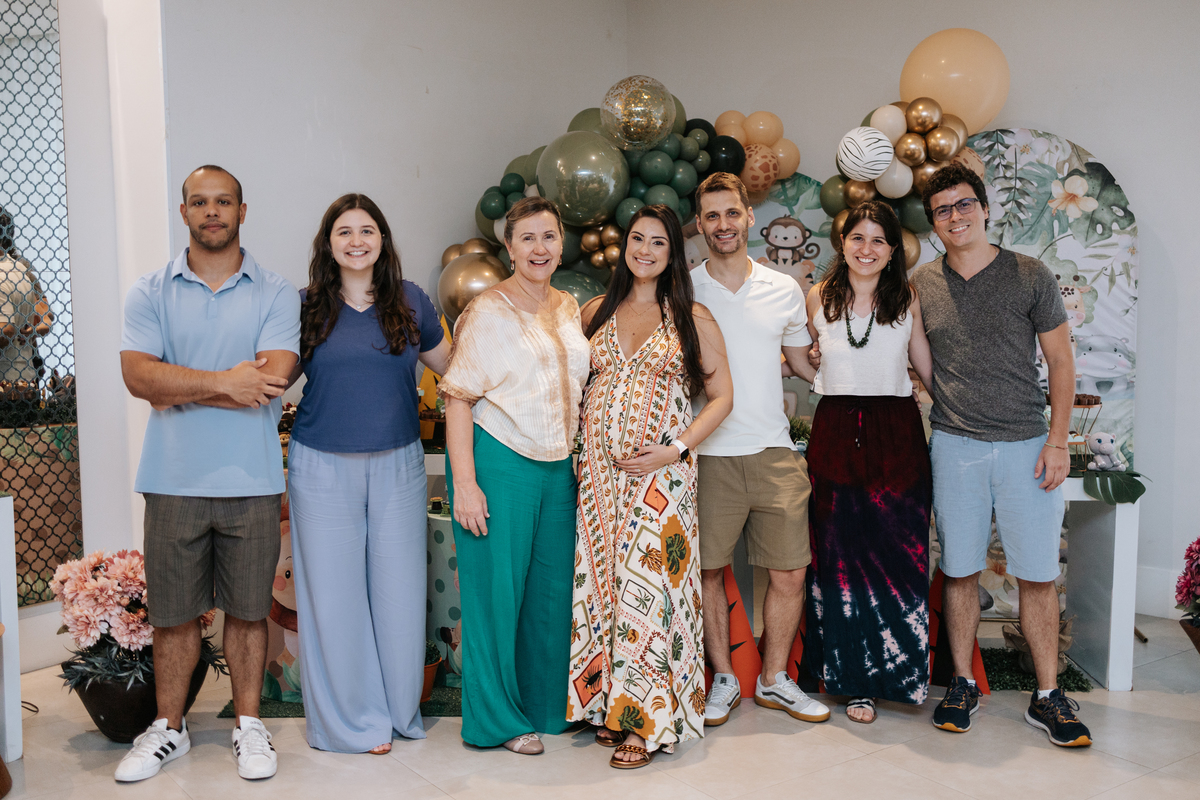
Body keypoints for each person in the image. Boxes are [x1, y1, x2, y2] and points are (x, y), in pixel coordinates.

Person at [118, 165, 300, 782]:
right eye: (201, 202)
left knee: (248, 613)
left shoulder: (276, 293)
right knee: (173, 615)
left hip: (250, 481)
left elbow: (271, 378)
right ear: (184, 211)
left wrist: (182, 383)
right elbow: (141, 379)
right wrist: (227, 382)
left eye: (224, 201)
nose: (212, 211)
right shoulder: (149, 291)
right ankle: (169, 729)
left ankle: (249, 727)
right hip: (172, 479)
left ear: (242, 211)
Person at [914, 164, 1090, 746]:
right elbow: (917, 360)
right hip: (956, 446)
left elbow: (1061, 363)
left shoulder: (1029, 274)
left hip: (1026, 447)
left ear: (985, 209)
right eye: (942, 210)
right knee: (959, 569)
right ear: (934, 221)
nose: (955, 217)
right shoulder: (923, 284)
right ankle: (962, 683)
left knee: (1037, 574)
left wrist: (1058, 440)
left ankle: (1047, 696)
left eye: (964, 205)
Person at [568, 204, 734, 768]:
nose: (644, 249)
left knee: (648, 589)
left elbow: (722, 398)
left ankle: (645, 724)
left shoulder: (693, 316)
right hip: (597, 479)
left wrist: (678, 447)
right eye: (636, 239)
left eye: (657, 242)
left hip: (660, 478)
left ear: (672, 254)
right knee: (603, 589)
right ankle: (610, 710)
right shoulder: (595, 311)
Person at [285, 194, 451, 754]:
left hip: (400, 463)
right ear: (327, 244)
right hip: (320, 464)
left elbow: (457, 369)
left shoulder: (411, 301)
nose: (356, 241)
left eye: (367, 230)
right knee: (334, 598)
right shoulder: (304, 306)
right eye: (344, 232)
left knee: (400, 591)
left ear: (383, 239)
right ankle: (349, 722)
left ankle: (397, 710)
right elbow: (269, 381)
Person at [439, 196, 590, 755]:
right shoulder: (486, 312)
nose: (540, 248)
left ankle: (548, 708)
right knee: (496, 598)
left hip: (559, 468)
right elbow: (456, 399)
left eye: (549, 236)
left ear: (561, 243)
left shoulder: (568, 306)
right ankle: (496, 722)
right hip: (499, 462)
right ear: (509, 247)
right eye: (527, 238)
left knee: (551, 596)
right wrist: (466, 484)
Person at [690, 172, 830, 727]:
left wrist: (860, 367)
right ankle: (723, 677)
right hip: (707, 455)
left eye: (732, 213)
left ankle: (774, 680)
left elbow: (802, 364)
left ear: (750, 218)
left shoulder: (783, 288)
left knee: (791, 571)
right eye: (712, 216)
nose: (723, 225)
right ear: (700, 226)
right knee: (705, 571)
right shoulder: (684, 287)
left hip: (774, 451)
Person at [800, 201, 933, 724]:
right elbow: (804, 356)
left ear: (893, 250)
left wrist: (952, 410)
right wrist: (808, 360)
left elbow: (921, 362)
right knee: (837, 554)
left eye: (879, 240)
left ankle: (898, 674)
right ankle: (851, 681)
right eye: (858, 237)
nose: (867, 248)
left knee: (897, 553)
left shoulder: (907, 296)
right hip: (834, 431)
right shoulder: (818, 296)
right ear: (842, 242)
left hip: (895, 434)